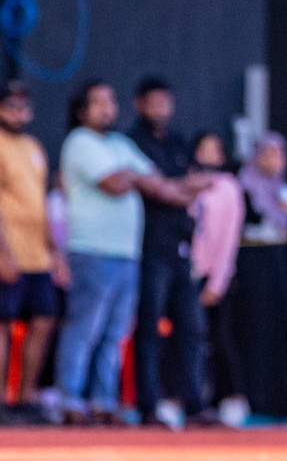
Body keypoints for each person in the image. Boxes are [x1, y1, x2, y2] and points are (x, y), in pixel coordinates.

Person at [53, 80, 204, 423]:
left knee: (113, 333)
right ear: (81, 110)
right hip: (91, 250)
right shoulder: (80, 143)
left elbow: (162, 185)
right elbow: (117, 184)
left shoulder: (120, 144)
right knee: (85, 328)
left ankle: (103, 402)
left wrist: (155, 182)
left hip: (125, 252)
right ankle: (69, 400)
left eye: (110, 101)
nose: (107, 108)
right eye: (98, 102)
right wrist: (141, 179)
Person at [129, 77, 216, 428]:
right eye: (153, 103)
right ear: (140, 104)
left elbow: (197, 183)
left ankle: (193, 402)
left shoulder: (179, 143)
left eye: (165, 102)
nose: (160, 109)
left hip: (181, 248)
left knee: (192, 329)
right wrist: (174, 189)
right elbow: (159, 188)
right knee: (149, 328)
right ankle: (148, 404)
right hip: (150, 245)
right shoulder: (132, 143)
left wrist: (170, 188)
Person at [0, 81, 69, 420]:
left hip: (37, 255)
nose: (19, 113)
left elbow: (40, 203)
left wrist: (55, 253)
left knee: (43, 320)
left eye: (24, 107)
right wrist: (2, 252)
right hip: (8, 250)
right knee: (2, 323)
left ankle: (25, 398)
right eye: (11, 106)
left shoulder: (34, 146)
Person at [235, 133, 287, 419]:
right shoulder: (243, 187)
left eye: (279, 155)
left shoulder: (285, 192)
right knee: (253, 331)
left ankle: (283, 401)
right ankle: (253, 398)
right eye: (267, 154)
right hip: (250, 271)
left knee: (279, 332)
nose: (273, 161)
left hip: (278, 272)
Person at [189, 132, 246, 425]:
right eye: (203, 149)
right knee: (189, 337)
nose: (209, 155)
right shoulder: (187, 182)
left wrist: (216, 283)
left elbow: (228, 238)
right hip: (188, 273)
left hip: (217, 276)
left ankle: (230, 396)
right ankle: (189, 397)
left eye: (215, 150)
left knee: (220, 338)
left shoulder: (229, 187)